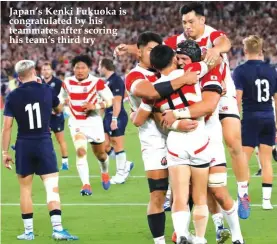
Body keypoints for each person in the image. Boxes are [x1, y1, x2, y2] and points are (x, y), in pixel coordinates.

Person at [114, 2, 250, 219]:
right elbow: (156, 48)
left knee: (233, 141)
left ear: (202, 20)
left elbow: (225, 42)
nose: (187, 26)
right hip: (196, 93)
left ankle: (243, 193)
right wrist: (130, 48)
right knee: (199, 156)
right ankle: (196, 207)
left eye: (191, 21)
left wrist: (215, 49)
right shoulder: (178, 40)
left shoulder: (212, 35)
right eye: (184, 22)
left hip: (222, 92)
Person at [161, 41, 244, 244]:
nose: (180, 63)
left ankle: (237, 236)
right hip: (185, 141)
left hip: (210, 141)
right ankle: (187, 234)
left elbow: (207, 106)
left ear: (195, 59)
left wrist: (176, 115)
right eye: (177, 59)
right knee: (184, 193)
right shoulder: (176, 78)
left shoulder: (209, 76)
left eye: (184, 59)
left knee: (217, 190)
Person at [1, 60, 78, 241]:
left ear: (18, 77)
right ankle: (57, 229)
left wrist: (4, 152)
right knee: (52, 188)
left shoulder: (12, 96)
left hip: (23, 145)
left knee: (25, 190)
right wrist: (61, 103)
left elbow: (7, 127)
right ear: (34, 72)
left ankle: (28, 232)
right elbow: (58, 108)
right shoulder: (46, 89)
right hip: (43, 143)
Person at [234, 35, 277, 210]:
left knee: (243, 160)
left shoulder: (240, 71)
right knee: (266, 161)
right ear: (261, 50)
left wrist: (235, 120)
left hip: (250, 118)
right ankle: (266, 202)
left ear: (245, 51)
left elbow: (237, 99)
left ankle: (243, 199)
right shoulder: (271, 70)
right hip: (268, 117)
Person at [62, 55, 114, 195]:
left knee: (101, 155)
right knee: (80, 151)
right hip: (76, 123)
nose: (80, 70)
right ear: (73, 68)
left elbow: (110, 100)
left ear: (89, 69)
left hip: (94, 123)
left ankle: (104, 171)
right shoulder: (67, 82)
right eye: (77, 67)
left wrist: (95, 105)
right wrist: (58, 106)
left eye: (83, 67)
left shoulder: (97, 82)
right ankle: (86, 185)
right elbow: (60, 99)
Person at [98, 58, 134, 184]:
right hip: (107, 116)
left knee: (118, 145)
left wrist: (114, 119)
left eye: (99, 66)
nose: (98, 69)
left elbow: (117, 101)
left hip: (116, 116)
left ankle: (120, 175)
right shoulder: (107, 82)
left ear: (104, 67)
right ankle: (126, 164)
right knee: (104, 146)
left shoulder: (116, 80)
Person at [41, 62, 69, 170]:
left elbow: (66, 96)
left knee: (60, 139)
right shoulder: (39, 82)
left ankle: (65, 162)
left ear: (51, 71)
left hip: (56, 115)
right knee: (44, 139)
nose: (46, 71)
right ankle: (46, 161)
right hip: (44, 116)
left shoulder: (58, 82)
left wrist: (60, 107)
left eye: (47, 69)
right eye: (44, 69)